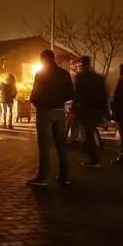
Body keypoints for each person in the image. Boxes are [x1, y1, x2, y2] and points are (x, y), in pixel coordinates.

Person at [27, 50, 74, 186]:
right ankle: (65, 176)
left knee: (44, 144)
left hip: (45, 110)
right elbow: (71, 93)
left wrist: (36, 102)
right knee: (61, 144)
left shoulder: (41, 74)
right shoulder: (64, 74)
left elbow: (35, 93)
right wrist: (60, 100)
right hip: (59, 111)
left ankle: (42, 177)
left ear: (42, 60)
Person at [73, 56, 108, 168]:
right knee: (89, 133)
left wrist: (74, 107)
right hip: (96, 109)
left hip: (86, 108)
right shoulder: (97, 78)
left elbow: (77, 94)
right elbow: (104, 95)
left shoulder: (81, 77)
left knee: (88, 134)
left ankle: (94, 159)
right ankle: (91, 155)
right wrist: (104, 110)